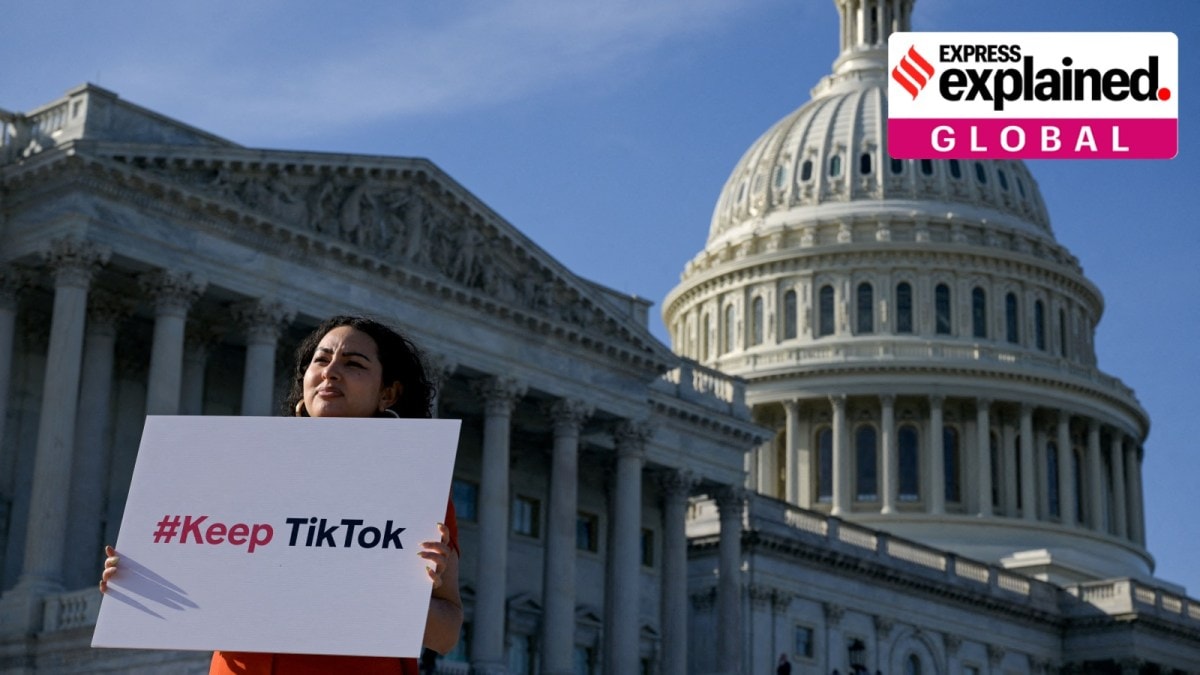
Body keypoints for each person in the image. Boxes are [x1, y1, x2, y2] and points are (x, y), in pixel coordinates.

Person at [100, 315, 463, 675]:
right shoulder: (235, 469)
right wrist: (141, 578)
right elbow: (201, 570)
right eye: (321, 360)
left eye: (353, 364)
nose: (330, 372)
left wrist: (395, 591)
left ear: (388, 393)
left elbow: (445, 636)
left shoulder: (413, 487)